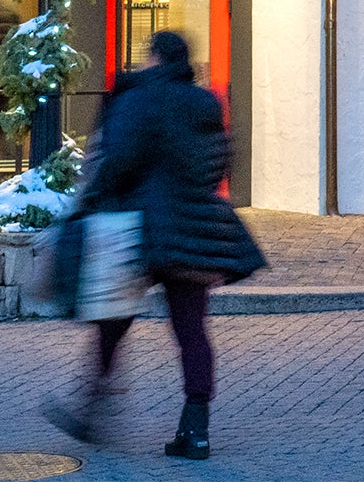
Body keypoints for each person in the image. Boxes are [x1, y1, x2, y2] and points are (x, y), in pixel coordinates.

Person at [44, 29, 265, 459]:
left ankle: (91, 411)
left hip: (137, 228)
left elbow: (118, 161)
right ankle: (196, 430)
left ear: (155, 58)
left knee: (114, 318)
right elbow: (219, 161)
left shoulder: (139, 98)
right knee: (191, 330)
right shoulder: (206, 103)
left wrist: (92, 200)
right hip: (189, 228)